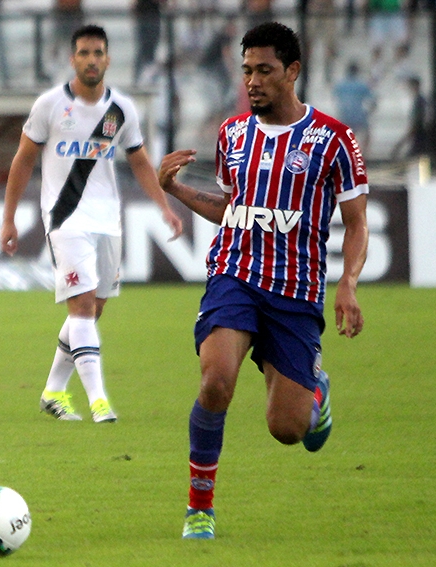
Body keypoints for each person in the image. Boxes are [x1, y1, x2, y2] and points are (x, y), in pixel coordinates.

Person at [157, 22, 369, 539]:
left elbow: (358, 222)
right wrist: (177, 190)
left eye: (265, 70)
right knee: (215, 380)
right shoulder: (233, 133)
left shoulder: (333, 139)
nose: (252, 80)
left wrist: (347, 284)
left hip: (296, 291)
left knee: (287, 430)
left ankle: (313, 392)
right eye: (247, 70)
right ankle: (199, 509)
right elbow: (232, 209)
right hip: (236, 273)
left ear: (293, 71)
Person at [0, 24, 183, 423]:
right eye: (83, 53)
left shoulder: (121, 110)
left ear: (108, 59)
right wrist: (9, 218)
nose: (91, 60)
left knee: (91, 311)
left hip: (107, 220)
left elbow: (138, 160)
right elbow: (23, 160)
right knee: (81, 309)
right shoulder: (50, 105)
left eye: (98, 52)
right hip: (65, 219)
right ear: (73, 59)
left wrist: (164, 207)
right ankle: (100, 402)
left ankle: (52, 392)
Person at [333, 62, 375, 157]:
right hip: (358, 114)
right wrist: (369, 113)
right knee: (367, 133)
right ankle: (363, 154)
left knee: (344, 135)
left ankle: (344, 153)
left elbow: (337, 99)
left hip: (344, 114)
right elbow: (372, 101)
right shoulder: (362, 84)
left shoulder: (340, 85)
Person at [391, 75, 430, 160]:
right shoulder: (420, 100)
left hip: (420, 136)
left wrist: (400, 143)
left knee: (411, 159)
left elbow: (417, 122)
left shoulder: (419, 101)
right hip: (420, 136)